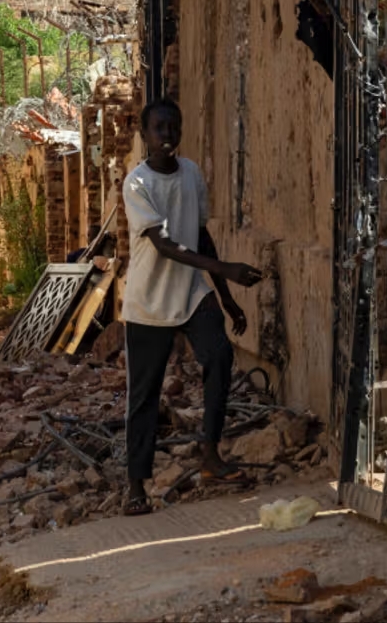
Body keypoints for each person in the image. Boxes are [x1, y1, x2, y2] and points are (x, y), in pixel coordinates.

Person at [119, 97, 261, 516]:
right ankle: (136, 486)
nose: (167, 135)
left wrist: (227, 297)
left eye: (173, 127)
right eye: (159, 128)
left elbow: (201, 236)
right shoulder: (137, 184)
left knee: (219, 356)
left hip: (192, 291)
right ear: (144, 134)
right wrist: (226, 269)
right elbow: (163, 244)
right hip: (148, 301)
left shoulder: (192, 174)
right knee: (144, 396)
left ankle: (210, 455)